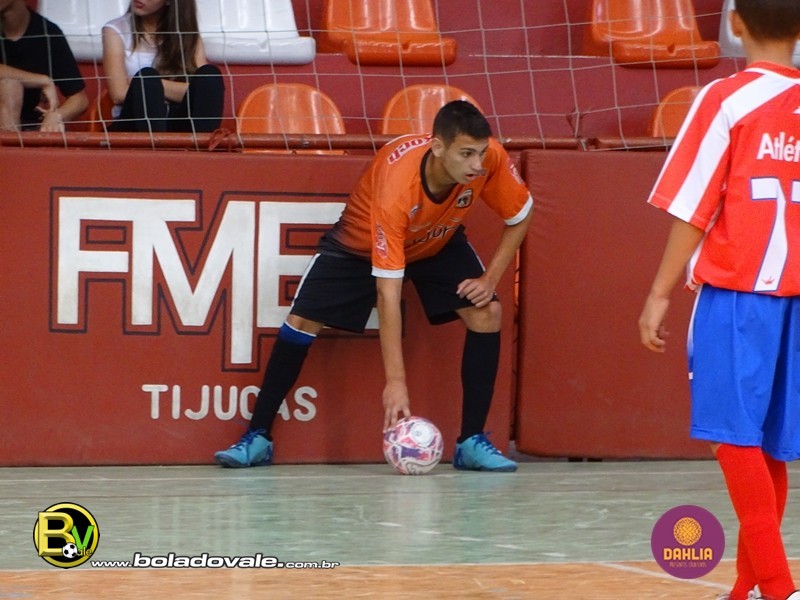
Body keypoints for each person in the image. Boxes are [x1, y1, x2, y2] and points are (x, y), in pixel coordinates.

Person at [215, 100, 533, 472]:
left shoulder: (488, 158)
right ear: (438, 147)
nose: (477, 164)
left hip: (435, 240)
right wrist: (395, 382)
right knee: (301, 322)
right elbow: (387, 293)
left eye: (480, 153)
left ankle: (471, 443)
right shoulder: (398, 185)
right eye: (466, 155)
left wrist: (489, 279)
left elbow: (521, 214)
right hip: (361, 245)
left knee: (487, 312)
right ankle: (258, 437)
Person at [639, 1, 800, 599]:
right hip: (795, 298)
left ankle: (778, 587)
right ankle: (746, 588)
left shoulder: (725, 99)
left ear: (734, 23)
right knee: (767, 446)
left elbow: (692, 207)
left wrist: (658, 293)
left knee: (734, 440)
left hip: (738, 296)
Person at [102, 0, 223, 133]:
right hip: (135, 121)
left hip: (179, 119)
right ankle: (155, 146)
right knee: (146, 78)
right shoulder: (115, 30)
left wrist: (158, 85)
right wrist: (148, 86)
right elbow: (118, 94)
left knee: (210, 75)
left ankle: (203, 144)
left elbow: (203, 91)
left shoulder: (188, 35)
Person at [0, 0, 88, 132]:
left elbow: (79, 99)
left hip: (31, 127)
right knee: (10, 86)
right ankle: (10, 144)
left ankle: (14, 143)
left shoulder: (48, 33)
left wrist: (57, 115)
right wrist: (41, 80)